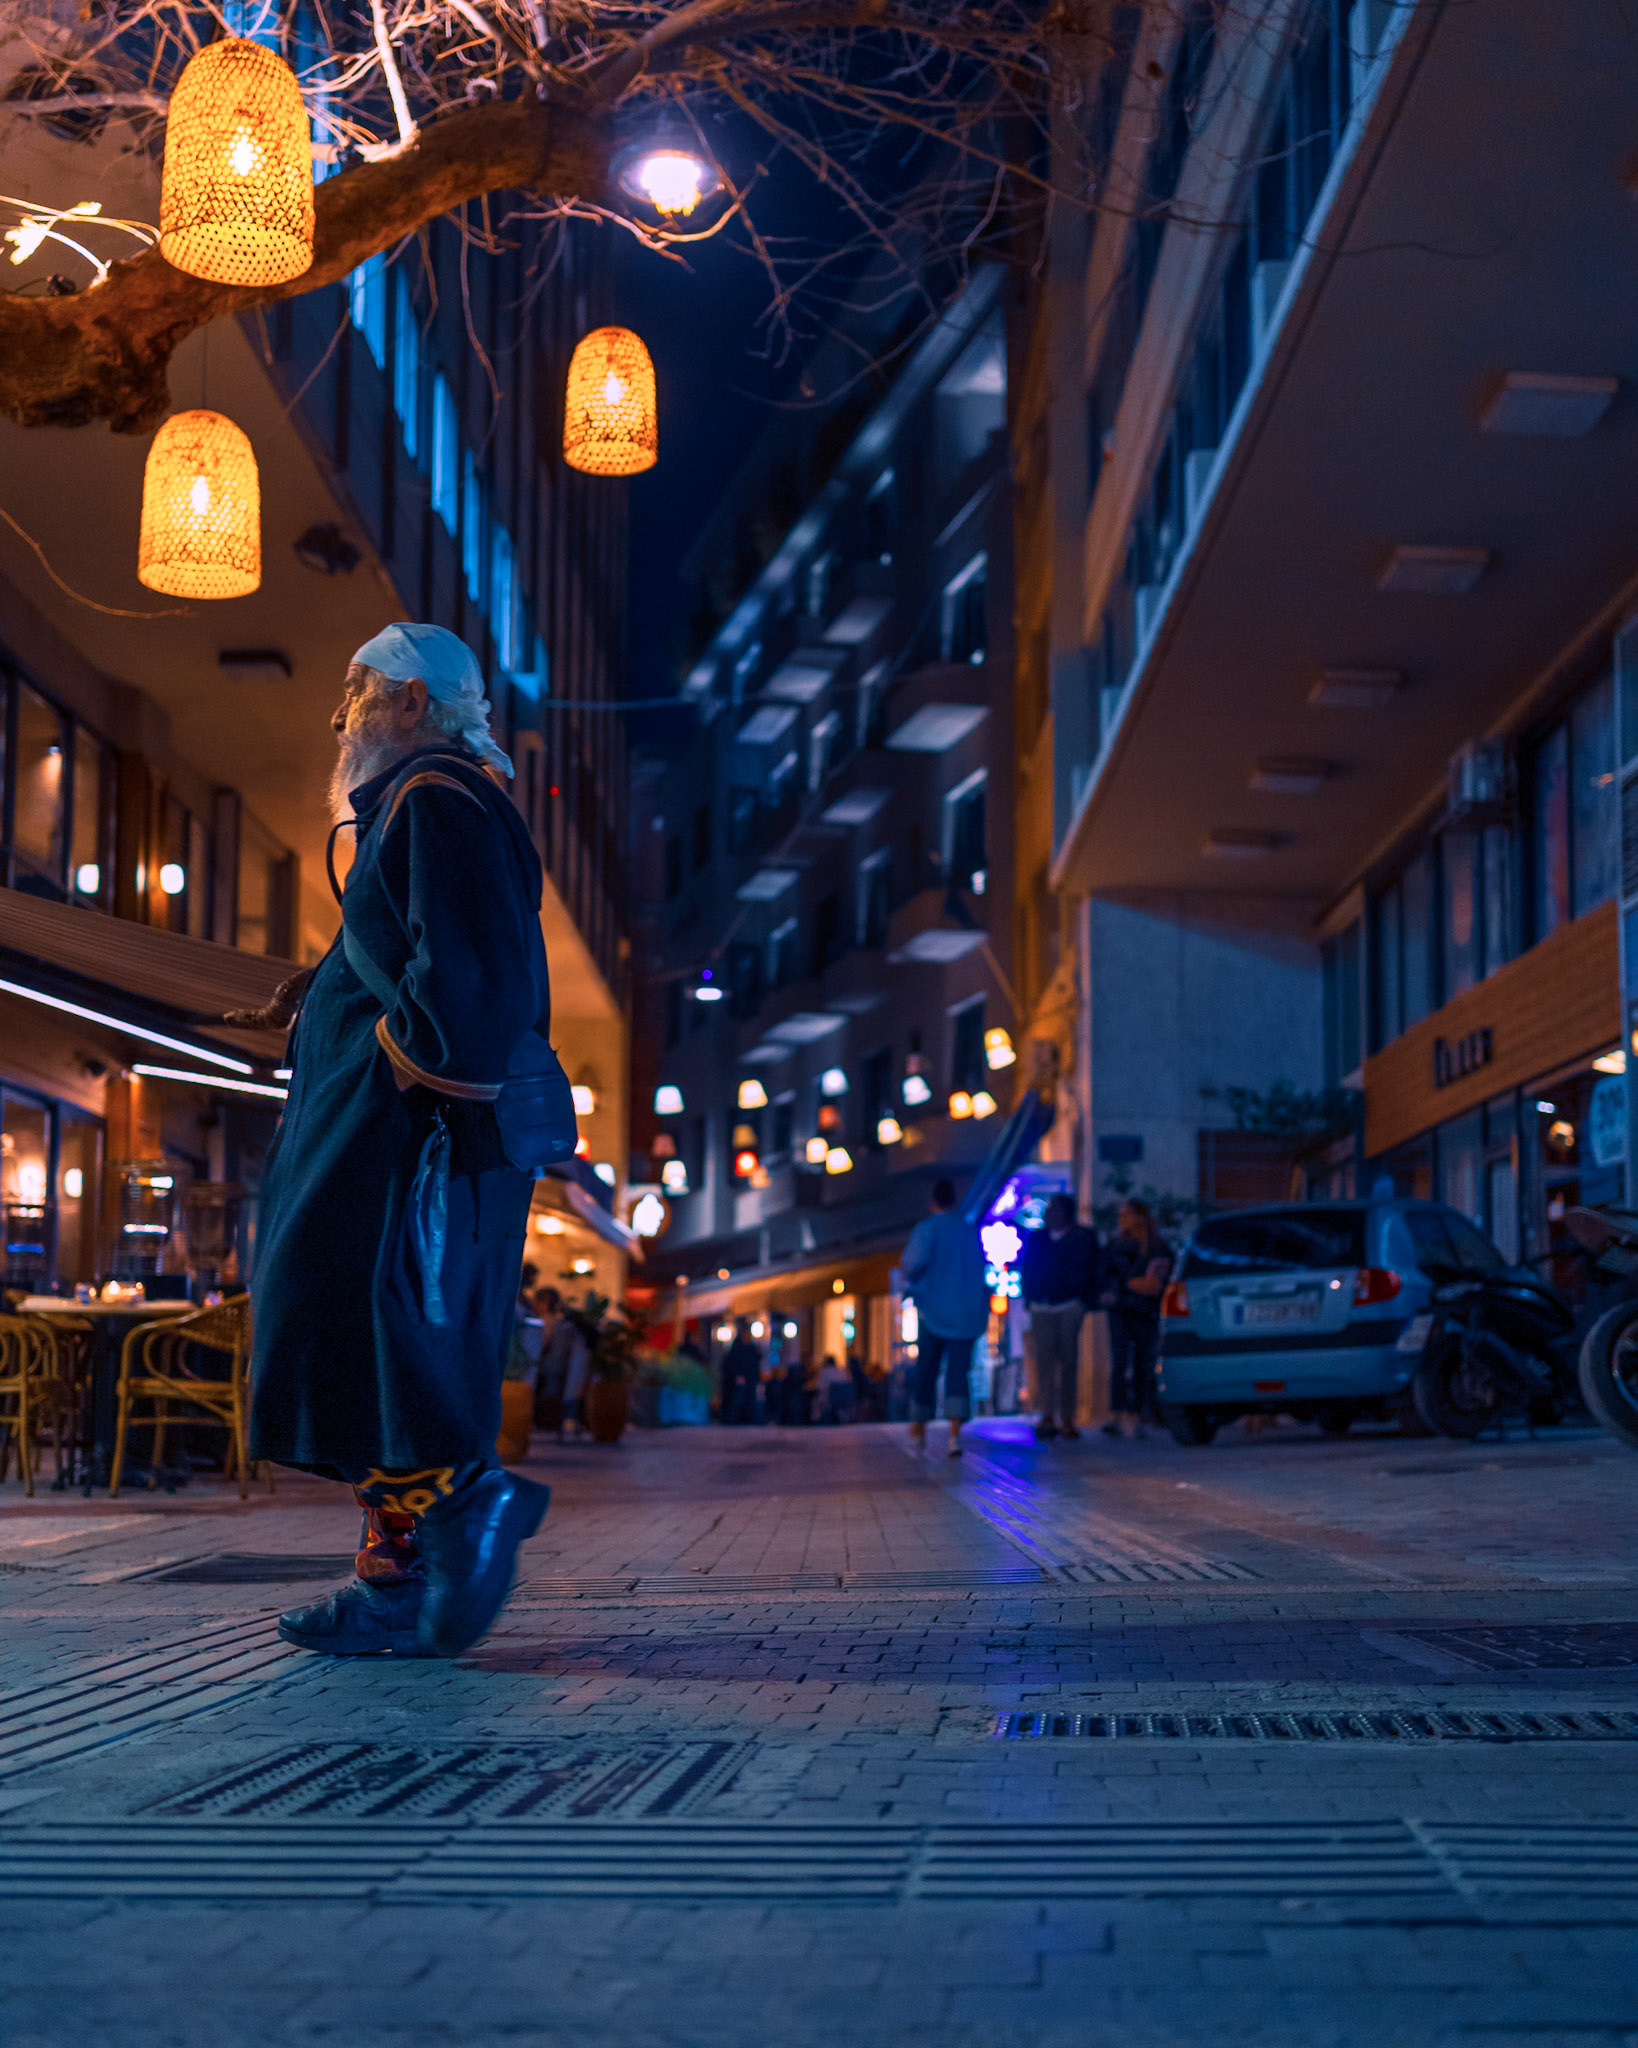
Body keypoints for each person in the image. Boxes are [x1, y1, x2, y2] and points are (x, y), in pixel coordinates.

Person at [248, 623, 568, 1660]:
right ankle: (398, 1581)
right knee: (367, 1327)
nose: (341, 710)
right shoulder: (422, 803)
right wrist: (324, 989)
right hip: (390, 1125)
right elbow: (409, 937)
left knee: (356, 1309)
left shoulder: (436, 796)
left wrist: (397, 1057)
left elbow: (472, 971)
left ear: (414, 704)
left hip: (404, 1132)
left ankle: (466, 1501)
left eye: (360, 689)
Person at [901, 1177, 990, 1456]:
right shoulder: (969, 1231)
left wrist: (917, 1285)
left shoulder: (927, 1229)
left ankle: (919, 1431)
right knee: (958, 1372)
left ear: (932, 1201)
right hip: (966, 1315)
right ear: (955, 1200)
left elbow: (911, 1264)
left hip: (934, 1312)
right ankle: (954, 1435)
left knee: (927, 1370)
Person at [1020, 1194, 1100, 1441]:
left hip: (1069, 1304)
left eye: (1058, 1209)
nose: (1053, 1214)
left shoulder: (1081, 1238)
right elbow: (1028, 1267)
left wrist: (1084, 1300)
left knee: (1068, 1360)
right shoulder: (1039, 1238)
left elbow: (1093, 1268)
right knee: (1044, 1361)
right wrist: (1030, 1297)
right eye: (1051, 1210)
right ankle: (1047, 1415)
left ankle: (1067, 1417)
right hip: (1042, 1305)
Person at [1101, 1198, 1174, 1438]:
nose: (1122, 1220)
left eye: (1126, 1215)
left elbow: (1159, 1279)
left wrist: (1137, 1286)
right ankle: (1118, 1414)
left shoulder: (1156, 1247)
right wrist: (1117, 1290)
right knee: (1120, 1361)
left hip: (1145, 1309)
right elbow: (1107, 1275)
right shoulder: (1116, 1246)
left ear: (1139, 1217)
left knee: (1143, 1361)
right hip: (1121, 1309)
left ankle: (1141, 1412)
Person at [720, 1318, 763, 1426]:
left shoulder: (752, 1347)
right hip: (739, 1379)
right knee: (737, 1400)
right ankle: (734, 1420)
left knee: (750, 1399)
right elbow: (731, 1364)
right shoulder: (736, 1348)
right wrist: (737, 1375)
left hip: (751, 1379)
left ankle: (748, 1419)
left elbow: (755, 1362)